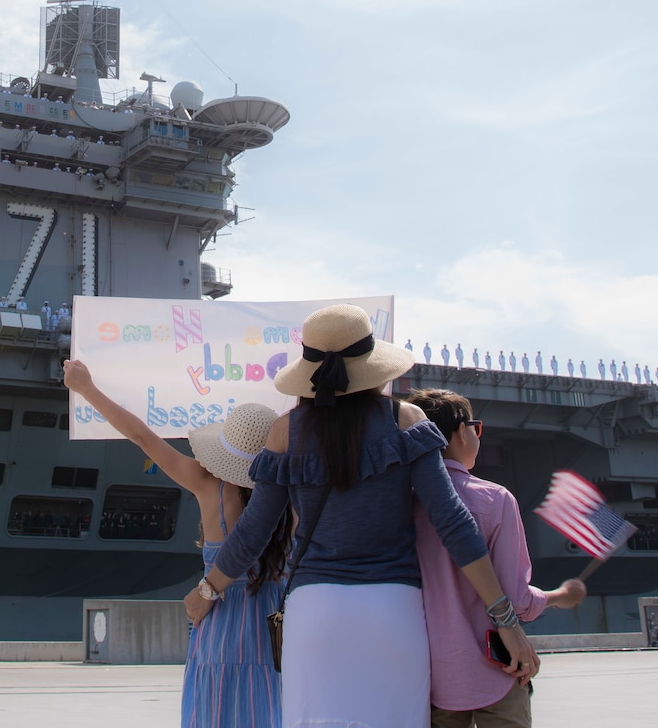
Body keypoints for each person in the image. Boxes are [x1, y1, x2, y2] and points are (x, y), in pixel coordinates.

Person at [187, 305, 538, 728]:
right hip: (394, 609)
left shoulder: (285, 430)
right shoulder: (406, 419)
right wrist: (505, 619)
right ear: (371, 366)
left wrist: (207, 590)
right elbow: (454, 525)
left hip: (315, 612)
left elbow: (253, 532)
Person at [64, 360, 286, 727]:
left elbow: (142, 437)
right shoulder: (290, 495)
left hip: (218, 620)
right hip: (271, 627)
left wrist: (86, 388)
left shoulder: (208, 485)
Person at [410, 388, 586, 726]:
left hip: (430, 677)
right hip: (498, 667)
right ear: (463, 432)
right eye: (475, 427)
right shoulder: (494, 499)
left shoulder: (404, 503)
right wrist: (562, 596)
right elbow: (518, 600)